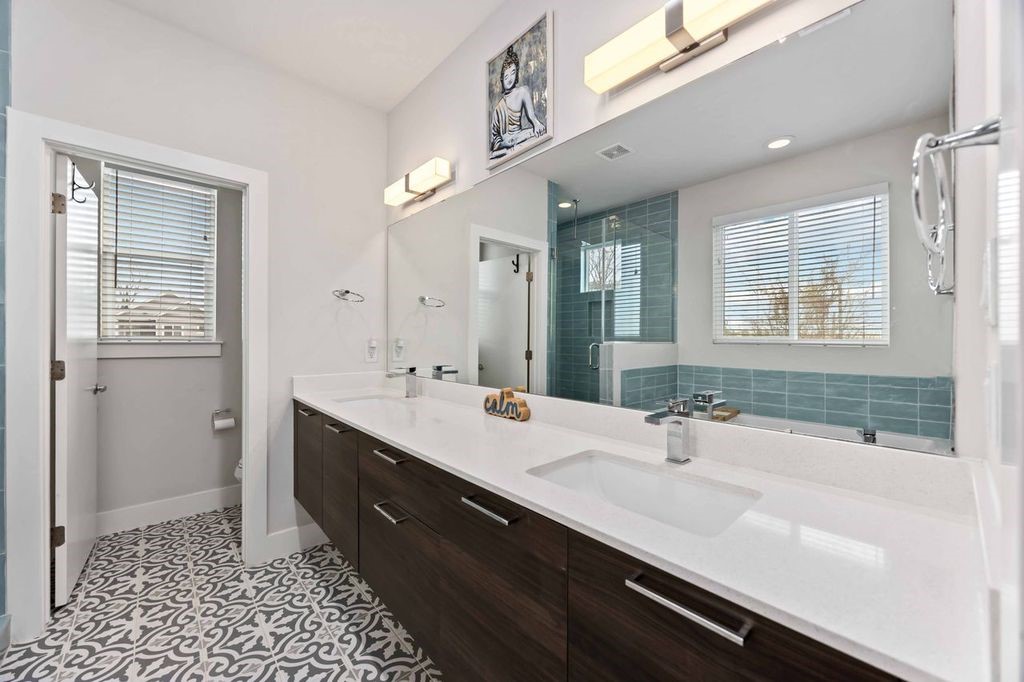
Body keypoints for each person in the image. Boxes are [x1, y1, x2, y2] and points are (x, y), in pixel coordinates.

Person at [489, 45, 546, 159]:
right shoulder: (498, 107)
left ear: (516, 74)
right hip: (505, 143)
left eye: (513, 73)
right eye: (506, 76)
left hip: (520, 137)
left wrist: (537, 124)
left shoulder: (522, 92)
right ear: (502, 78)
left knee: (537, 135)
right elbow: (494, 137)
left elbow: (532, 117)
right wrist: (501, 143)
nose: (510, 78)